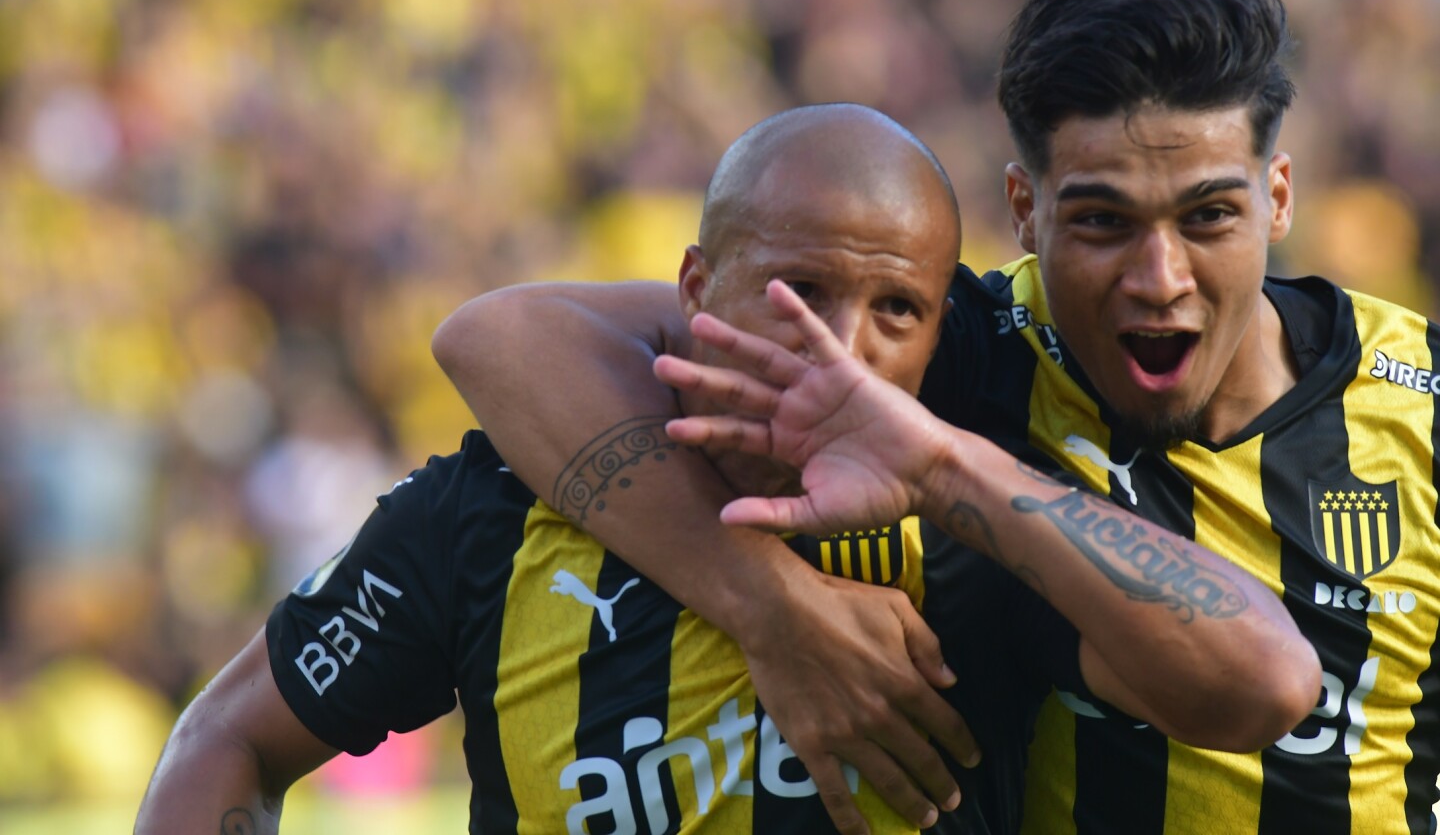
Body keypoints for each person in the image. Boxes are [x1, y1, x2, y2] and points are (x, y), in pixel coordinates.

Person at [433, 0, 1440, 835]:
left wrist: (943, 461)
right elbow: (504, 338)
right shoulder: (958, 344)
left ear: (1278, 196)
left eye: (1211, 216)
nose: (1159, 277)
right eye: (1101, 223)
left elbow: (1263, 685)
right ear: (1024, 211)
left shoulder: (1424, 416)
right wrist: (766, 603)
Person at [136, 103, 1309, 835]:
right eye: (797, 289)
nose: (839, 348)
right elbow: (224, 741)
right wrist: (772, 607)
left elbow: (1259, 683)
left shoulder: (976, 521)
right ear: (696, 291)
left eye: (897, 309)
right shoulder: (499, 503)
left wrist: (960, 475)